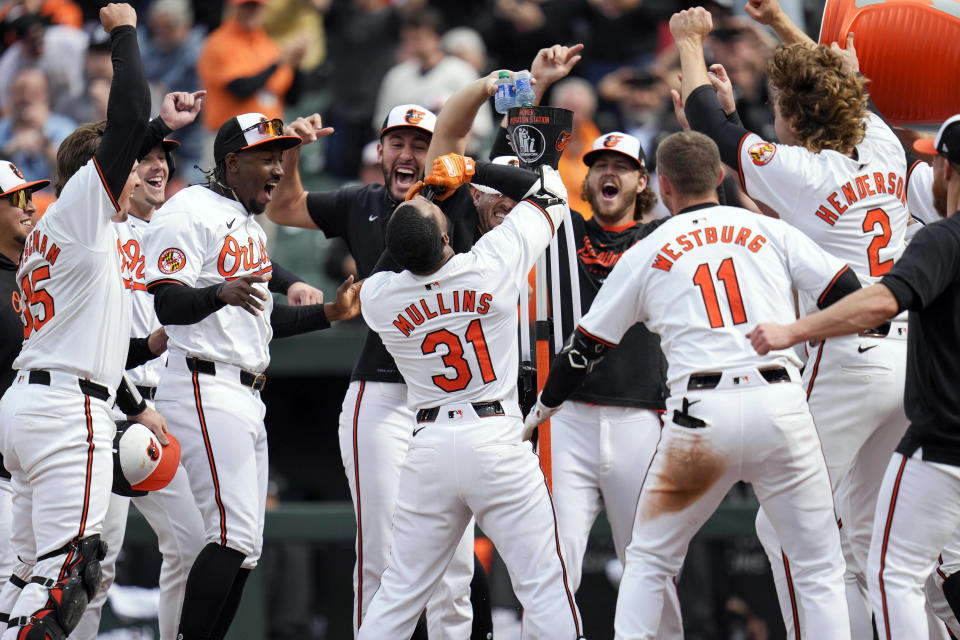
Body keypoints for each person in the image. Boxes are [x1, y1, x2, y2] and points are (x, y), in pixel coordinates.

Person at [524, 130, 861, 638]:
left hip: (701, 416)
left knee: (648, 561)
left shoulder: (648, 247)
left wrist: (539, 414)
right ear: (721, 177)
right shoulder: (766, 230)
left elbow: (584, 349)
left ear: (661, 186)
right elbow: (848, 292)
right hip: (780, 402)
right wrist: (800, 333)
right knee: (818, 568)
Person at [673, 4, 914, 634]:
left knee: (782, 527)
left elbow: (702, 122)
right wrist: (781, 24)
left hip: (845, 360)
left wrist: (688, 40)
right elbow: (839, 83)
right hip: (909, 359)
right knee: (864, 536)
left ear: (797, 117)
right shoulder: (885, 144)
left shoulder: (803, 170)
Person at [265, 104, 493, 639]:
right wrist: (293, 154)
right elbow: (285, 206)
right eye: (398, 143)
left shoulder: (454, 202)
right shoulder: (359, 202)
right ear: (381, 150)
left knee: (454, 564)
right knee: (382, 550)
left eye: (420, 144)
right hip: (383, 391)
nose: (407, 154)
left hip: (448, 396)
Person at [141, 111, 361, 640]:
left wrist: (328, 315)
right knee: (232, 537)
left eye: (281, 158)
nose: (278, 169)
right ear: (232, 162)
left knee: (245, 548)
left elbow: (260, 319)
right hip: (200, 383)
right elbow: (167, 302)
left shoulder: (244, 222)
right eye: (266, 157)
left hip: (241, 386)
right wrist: (218, 292)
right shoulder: (188, 209)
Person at [748, 113, 960, 639]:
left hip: (934, 432)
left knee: (884, 566)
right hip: (920, 407)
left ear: (949, 168)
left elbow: (881, 302)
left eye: (935, 160)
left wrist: (795, 331)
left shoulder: (939, 238)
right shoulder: (919, 218)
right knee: (907, 557)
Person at [357, 163, 583, 638]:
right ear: (445, 240)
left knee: (399, 591)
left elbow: (390, 261)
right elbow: (554, 193)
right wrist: (473, 170)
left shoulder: (380, 298)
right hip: (494, 435)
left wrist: (420, 208)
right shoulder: (489, 263)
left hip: (430, 445)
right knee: (543, 583)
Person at [0, 5, 165, 639]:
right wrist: (125, 29)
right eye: (130, 164)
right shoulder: (80, 211)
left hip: (31, 405)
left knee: (23, 578)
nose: (141, 174)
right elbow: (126, 115)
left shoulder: (51, 236)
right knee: (69, 577)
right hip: (70, 412)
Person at [0, 161, 50, 627]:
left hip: (29, 467)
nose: (29, 206)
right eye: (16, 198)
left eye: (30, 195)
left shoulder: (39, 276)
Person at [196, 0, 304, 138]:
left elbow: (292, 97)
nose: (251, 13)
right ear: (232, 8)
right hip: (232, 136)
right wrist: (279, 63)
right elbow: (241, 89)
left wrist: (296, 65)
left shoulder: (268, 45)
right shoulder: (218, 43)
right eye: (246, 7)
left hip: (269, 132)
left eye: (256, 7)